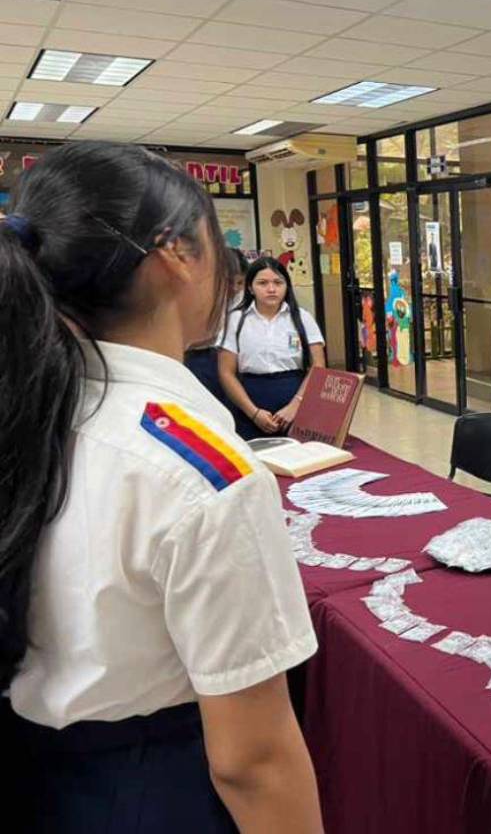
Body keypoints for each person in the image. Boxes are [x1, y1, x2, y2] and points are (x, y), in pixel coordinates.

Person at [0, 141, 323, 832]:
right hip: (150, 790)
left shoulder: (31, 409)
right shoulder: (201, 476)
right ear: (177, 252)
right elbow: (253, 762)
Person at [218, 256, 324, 440]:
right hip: (249, 402)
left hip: (295, 399)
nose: (271, 289)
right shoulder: (235, 320)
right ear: (250, 288)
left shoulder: (302, 318)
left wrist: (296, 405)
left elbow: (318, 367)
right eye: (263, 283)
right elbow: (226, 372)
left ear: (286, 286)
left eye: (278, 282)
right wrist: (253, 413)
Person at [184, 247, 248, 406]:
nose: (235, 288)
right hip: (203, 358)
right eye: (228, 282)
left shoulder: (246, 300)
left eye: (240, 282)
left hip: (237, 359)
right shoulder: (197, 298)